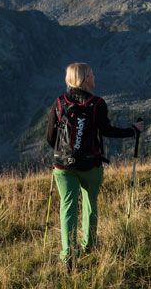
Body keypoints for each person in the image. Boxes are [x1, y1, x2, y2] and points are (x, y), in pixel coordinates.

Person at [46, 62, 145, 270]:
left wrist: (64, 153)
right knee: (90, 203)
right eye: (91, 73)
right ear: (84, 79)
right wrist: (133, 130)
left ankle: (68, 257)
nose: (94, 75)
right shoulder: (97, 104)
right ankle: (89, 245)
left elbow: (50, 137)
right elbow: (107, 131)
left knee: (68, 207)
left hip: (63, 166)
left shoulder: (59, 102)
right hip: (90, 165)